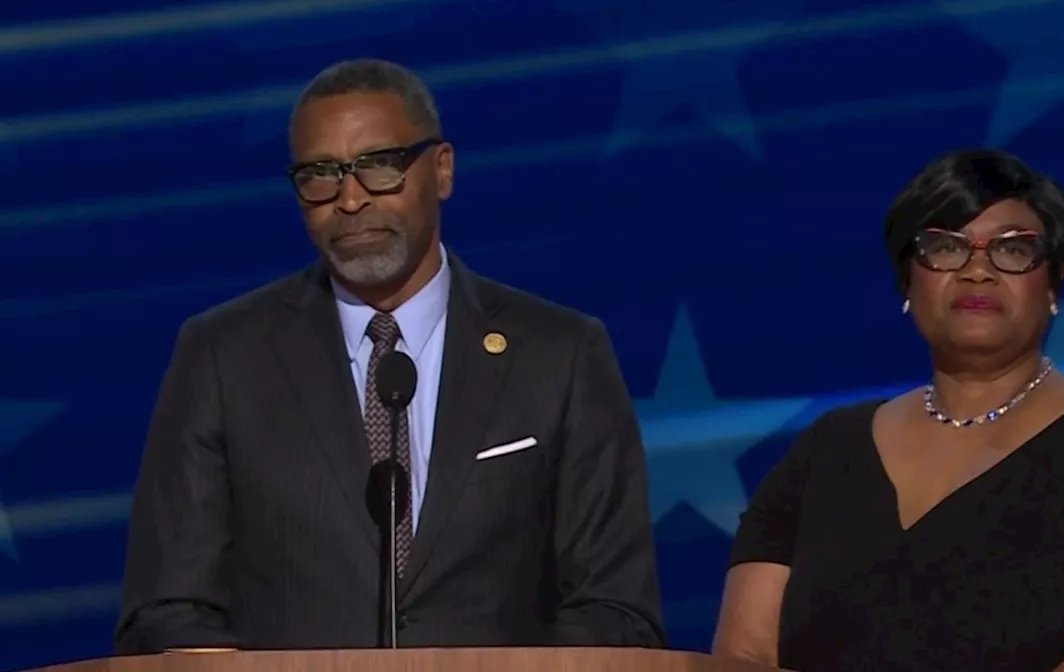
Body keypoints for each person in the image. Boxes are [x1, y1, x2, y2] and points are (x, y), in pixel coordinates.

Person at [116, 58, 665, 653]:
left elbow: (616, 609)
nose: (350, 200)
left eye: (380, 166)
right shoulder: (222, 357)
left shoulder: (561, 355)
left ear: (443, 169)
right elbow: (167, 609)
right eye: (320, 174)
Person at [711, 149, 1064, 672]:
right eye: (945, 247)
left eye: (1013, 251)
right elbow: (744, 655)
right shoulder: (825, 451)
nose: (978, 270)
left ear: (1054, 284)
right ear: (907, 280)